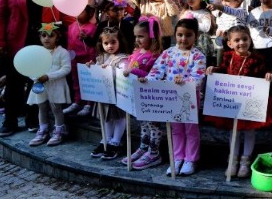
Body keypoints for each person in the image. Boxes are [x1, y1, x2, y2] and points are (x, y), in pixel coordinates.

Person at [0, 0, 53, 137]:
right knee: (14, 84)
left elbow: (55, 17)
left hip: (41, 43)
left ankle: (32, 117)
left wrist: (51, 33)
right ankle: (9, 121)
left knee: (36, 83)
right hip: (16, 42)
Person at [205, 25, 272, 178]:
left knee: (249, 131)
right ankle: (233, 160)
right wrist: (214, 70)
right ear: (230, 43)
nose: (241, 43)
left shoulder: (257, 59)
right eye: (237, 40)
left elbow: (265, 72)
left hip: (249, 101)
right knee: (233, 131)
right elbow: (222, 70)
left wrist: (269, 75)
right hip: (232, 102)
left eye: (245, 39)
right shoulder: (228, 56)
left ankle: (245, 161)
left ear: (250, 40)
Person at [147, 18, 207, 177]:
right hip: (171, 96)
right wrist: (147, 81)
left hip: (189, 98)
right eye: (180, 35)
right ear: (175, 35)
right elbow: (157, 71)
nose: (183, 39)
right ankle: (177, 157)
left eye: (188, 35)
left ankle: (191, 159)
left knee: (190, 129)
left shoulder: (198, 56)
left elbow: (198, 76)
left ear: (196, 36)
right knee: (175, 129)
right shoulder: (168, 53)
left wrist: (185, 82)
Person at [122, 16, 164, 169]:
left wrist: (134, 70)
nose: (137, 39)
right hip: (138, 95)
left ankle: (154, 152)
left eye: (141, 36)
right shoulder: (138, 52)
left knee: (153, 125)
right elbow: (129, 64)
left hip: (151, 97)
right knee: (143, 123)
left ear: (151, 36)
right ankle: (144, 147)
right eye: (136, 36)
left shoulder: (156, 56)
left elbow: (153, 77)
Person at [86, 27, 129, 160]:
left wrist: (111, 70)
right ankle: (106, 139)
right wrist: (92, 66)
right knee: (106, 117)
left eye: (113, 42)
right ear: (101, 44)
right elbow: (98, 72)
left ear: (119, 42)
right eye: (106, 43)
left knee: (119, 117)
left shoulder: (122, 58)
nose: (110, 46)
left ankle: (116, 142)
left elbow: (124, 73)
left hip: (118, 94)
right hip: (104, 94)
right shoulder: (101, 57)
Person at [27, 22, 72, 147]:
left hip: (56, 85)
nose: (47, 38)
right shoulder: (37, 52)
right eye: (44, 35)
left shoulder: (62, 52)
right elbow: (29, 67)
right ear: (40, 38)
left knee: (56, 108)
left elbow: (66, 69)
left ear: (57, 37)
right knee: (41, 106)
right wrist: (35, 77)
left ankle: (59, 130)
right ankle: (43, 129)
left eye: (51, 35)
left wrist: (49, 76)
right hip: (40, 85)